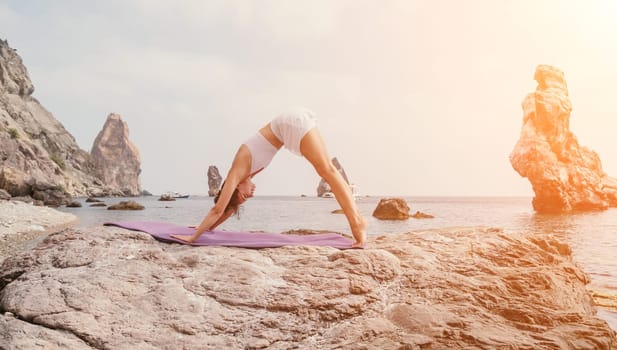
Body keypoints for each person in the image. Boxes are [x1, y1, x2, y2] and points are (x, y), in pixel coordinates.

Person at [171, 108, 367, 248]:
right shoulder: (244, 174)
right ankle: (357, 221)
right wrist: (206, 228)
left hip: (290, 124)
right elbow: (227, 210)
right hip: (289, 123)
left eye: (245, 196)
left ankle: (357, 223)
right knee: (328, 170)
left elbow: (218, 208)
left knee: (328, 171)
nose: (251, 195)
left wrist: (193, 238)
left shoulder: (235, 173)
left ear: (237, 188)